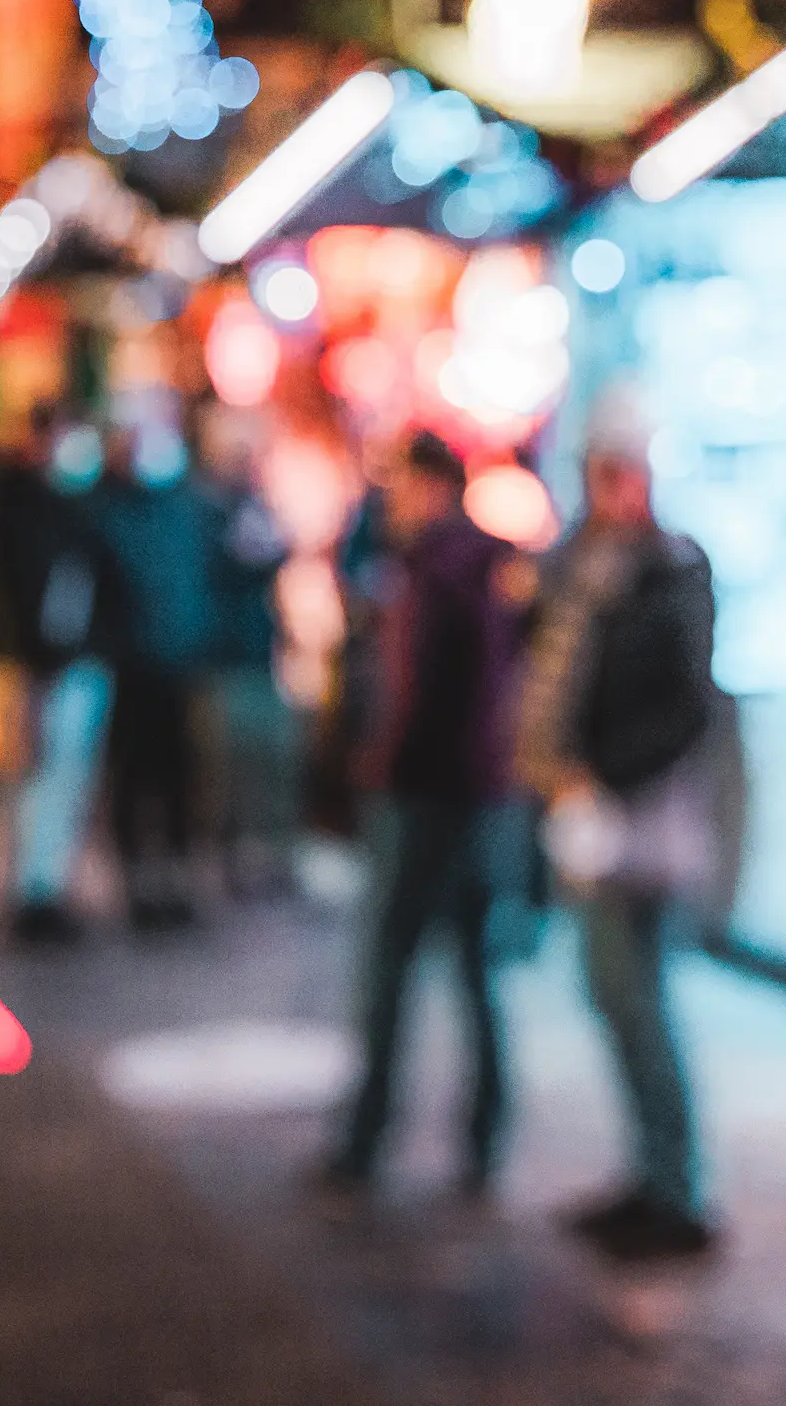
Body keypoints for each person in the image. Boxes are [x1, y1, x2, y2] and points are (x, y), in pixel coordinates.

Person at [517, 387, 722, 1261]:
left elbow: (685, 705)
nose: (615, 490)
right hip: (586, 811)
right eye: (603, 472)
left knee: (634, 998)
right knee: (614, 996)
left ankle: (672, 1189)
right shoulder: (576, 565)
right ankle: (652, 1177)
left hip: (642, 820)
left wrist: (602, 774)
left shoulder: (672, 572)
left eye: (626, 471)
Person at [324, 429, 522, 1200]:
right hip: (481, 796)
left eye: (400, 485)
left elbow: (424, 695)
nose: (391, 502)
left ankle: (369, 1134)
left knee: (390, 966)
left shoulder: (437, 570)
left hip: (427, 796)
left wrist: (383, 765)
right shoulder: (490, 565)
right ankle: (482, 1138)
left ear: (432, 483)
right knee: (476, 971)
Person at [0, 401, 116, 943]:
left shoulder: (75, 504)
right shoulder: (16, 506)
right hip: (38, 668)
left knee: (64, 780)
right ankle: (31, 893)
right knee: (34, 780)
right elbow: (15, 597)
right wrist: (31, 661)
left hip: (77, 660)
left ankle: (47, 887)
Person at [90, 409, 217, 930]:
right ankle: (139, 883)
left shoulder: (186, 507)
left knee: (178, 780)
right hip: (132, 670)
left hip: (178, 666)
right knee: (133, 780)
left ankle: (174, 879)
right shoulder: (106, 512)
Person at [192, 402, 296, 897]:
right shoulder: (205, 507)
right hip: (225, 657)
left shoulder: (258, 503)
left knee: (271, 760)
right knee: (226, 767)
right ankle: (228, 860)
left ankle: (271, 855)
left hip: (261, 654)